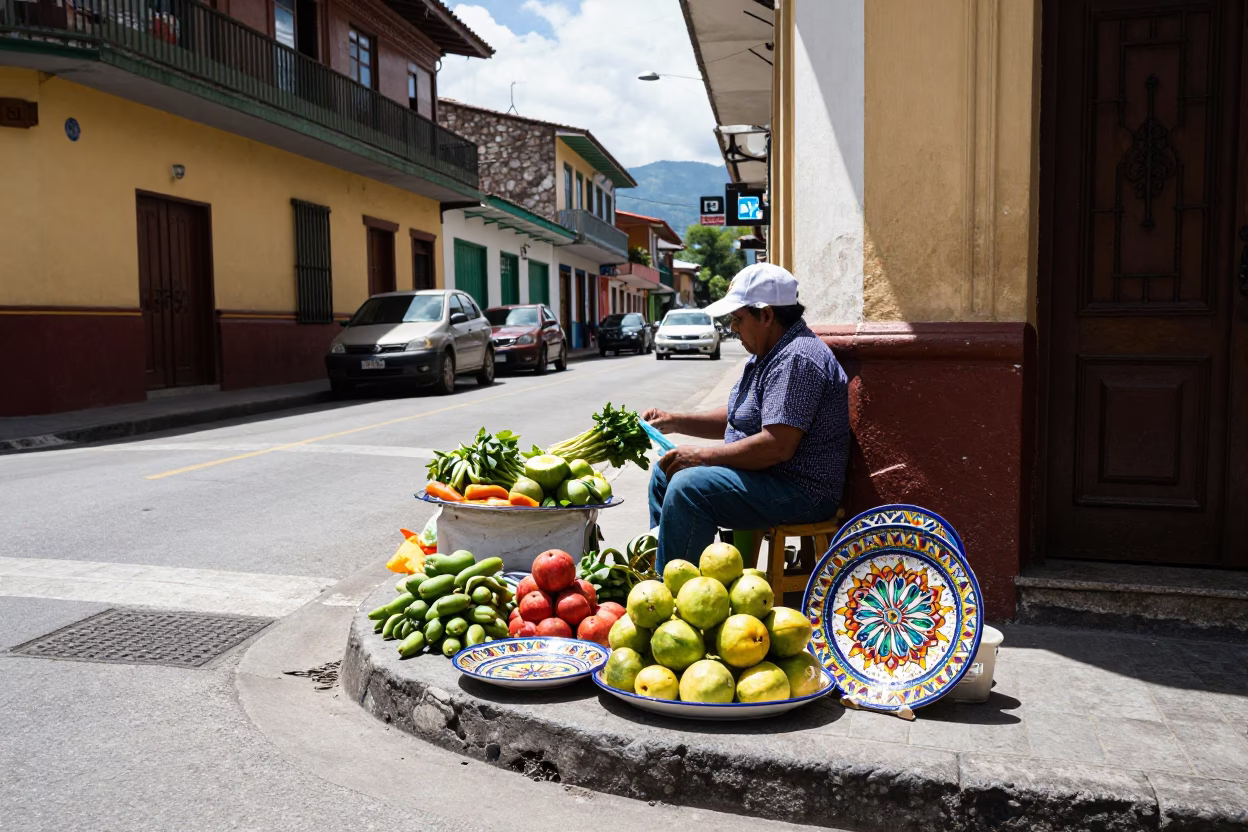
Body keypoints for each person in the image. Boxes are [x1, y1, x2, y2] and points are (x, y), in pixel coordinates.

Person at [642, 263, 850, 571]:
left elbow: (776, 446)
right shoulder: (767, 353)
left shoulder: (796, 358)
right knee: (666, 471)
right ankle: (659, 570)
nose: (733, 328)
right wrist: (676, 421)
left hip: (801, 491)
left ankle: (673, 594)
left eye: (738, 319)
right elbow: (739, 416)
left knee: (689, 487)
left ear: (766, 315)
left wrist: (701, 457)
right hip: (769, 478)